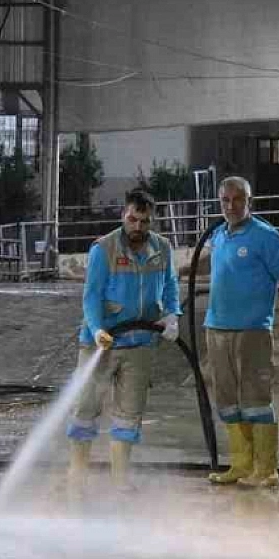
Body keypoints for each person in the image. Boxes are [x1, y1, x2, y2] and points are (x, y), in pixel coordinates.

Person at [68, 190, 182, 485]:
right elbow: (91, 296)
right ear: (123, 215)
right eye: (133, 219)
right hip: (102, 343)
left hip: (141, 342)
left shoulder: (163, 248)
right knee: (86, 407)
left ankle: (119, 481)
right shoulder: (103, 250)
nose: (138, 227)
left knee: (129, 413)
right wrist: (97, 330)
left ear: (152, 221)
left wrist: (172, 315)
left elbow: (170, 285)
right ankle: (76, 476)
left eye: (144, 222)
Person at [204, 176, 279, 488]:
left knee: (256, 399)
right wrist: (180, 271)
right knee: (228, 400)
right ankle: (241, 464)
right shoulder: (218, 235)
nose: (230, 206)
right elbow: (218, 264)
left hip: (252, 331)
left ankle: (266, 468)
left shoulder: (266, 237)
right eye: (225, 200)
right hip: (217, 328)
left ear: (250, 202)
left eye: (237, 200)